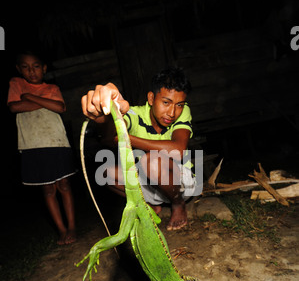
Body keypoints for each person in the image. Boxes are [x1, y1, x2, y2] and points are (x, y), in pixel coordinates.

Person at [81, 67, 198, 230]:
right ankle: (149, 205)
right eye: (166, 102)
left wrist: (129, 139)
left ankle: (178, 204)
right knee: (107, 173)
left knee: (151, 160)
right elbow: (110, 137)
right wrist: (106, 116)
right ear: (151, 98)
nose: (172, 112)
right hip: (151, 182)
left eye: (179, 104)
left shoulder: (183, 112)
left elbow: (177, 150)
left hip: (182, 183)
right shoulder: (134, 114)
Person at [7, 51, 77, 245]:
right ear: (18, 69)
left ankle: (72, 226)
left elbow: (60, 108)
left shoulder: (52, 87)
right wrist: (45, 103)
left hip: (56, 141)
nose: (31, 71)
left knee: (64, 185)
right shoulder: (16, 84)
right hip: (32, 144)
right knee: (48, 189)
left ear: (44, 68)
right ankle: (62, 231)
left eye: (36, 66)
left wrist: (29, 97)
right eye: (25, 67)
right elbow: (14, 107)